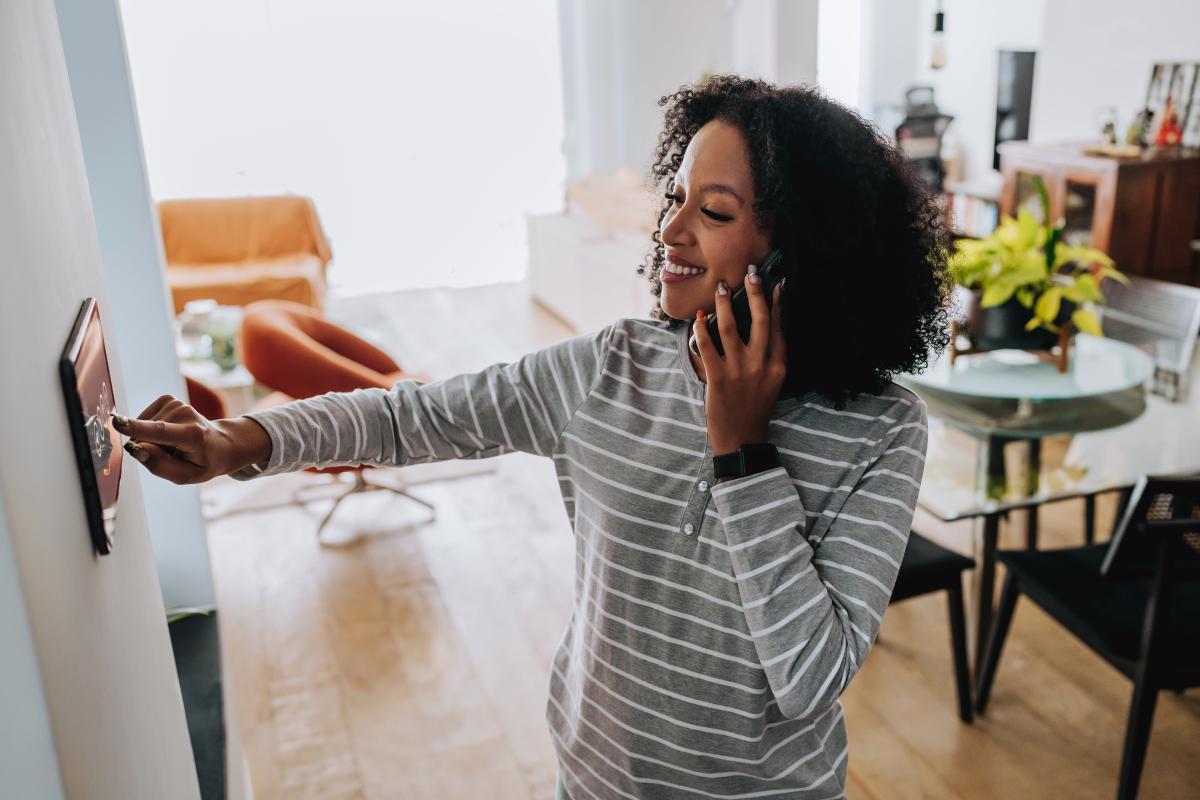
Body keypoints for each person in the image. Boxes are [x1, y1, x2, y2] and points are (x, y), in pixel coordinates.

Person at [119, 75, 951, 799]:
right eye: (676, 196)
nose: (669, 231)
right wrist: (243, 442)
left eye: (715, 211)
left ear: (803, 251)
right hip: (592, 781)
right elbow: (413, 415)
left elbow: (809, 678)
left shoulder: (882, 434)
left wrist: (743, 452)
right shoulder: (609, 368)